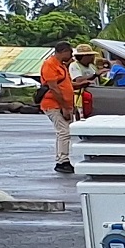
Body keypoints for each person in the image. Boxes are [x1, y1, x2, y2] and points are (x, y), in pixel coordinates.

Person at [38, 43, 78, 173]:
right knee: (64, 131)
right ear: (63, 51)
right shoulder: (50, 64)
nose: (71, 56)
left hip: (63, 104)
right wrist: (64, 107)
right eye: (70, 52)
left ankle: (63, 158)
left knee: (66, 132)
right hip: (53, 104)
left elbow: (65, 85)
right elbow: (54, 88)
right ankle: (62, 161)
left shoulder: (61, 66)